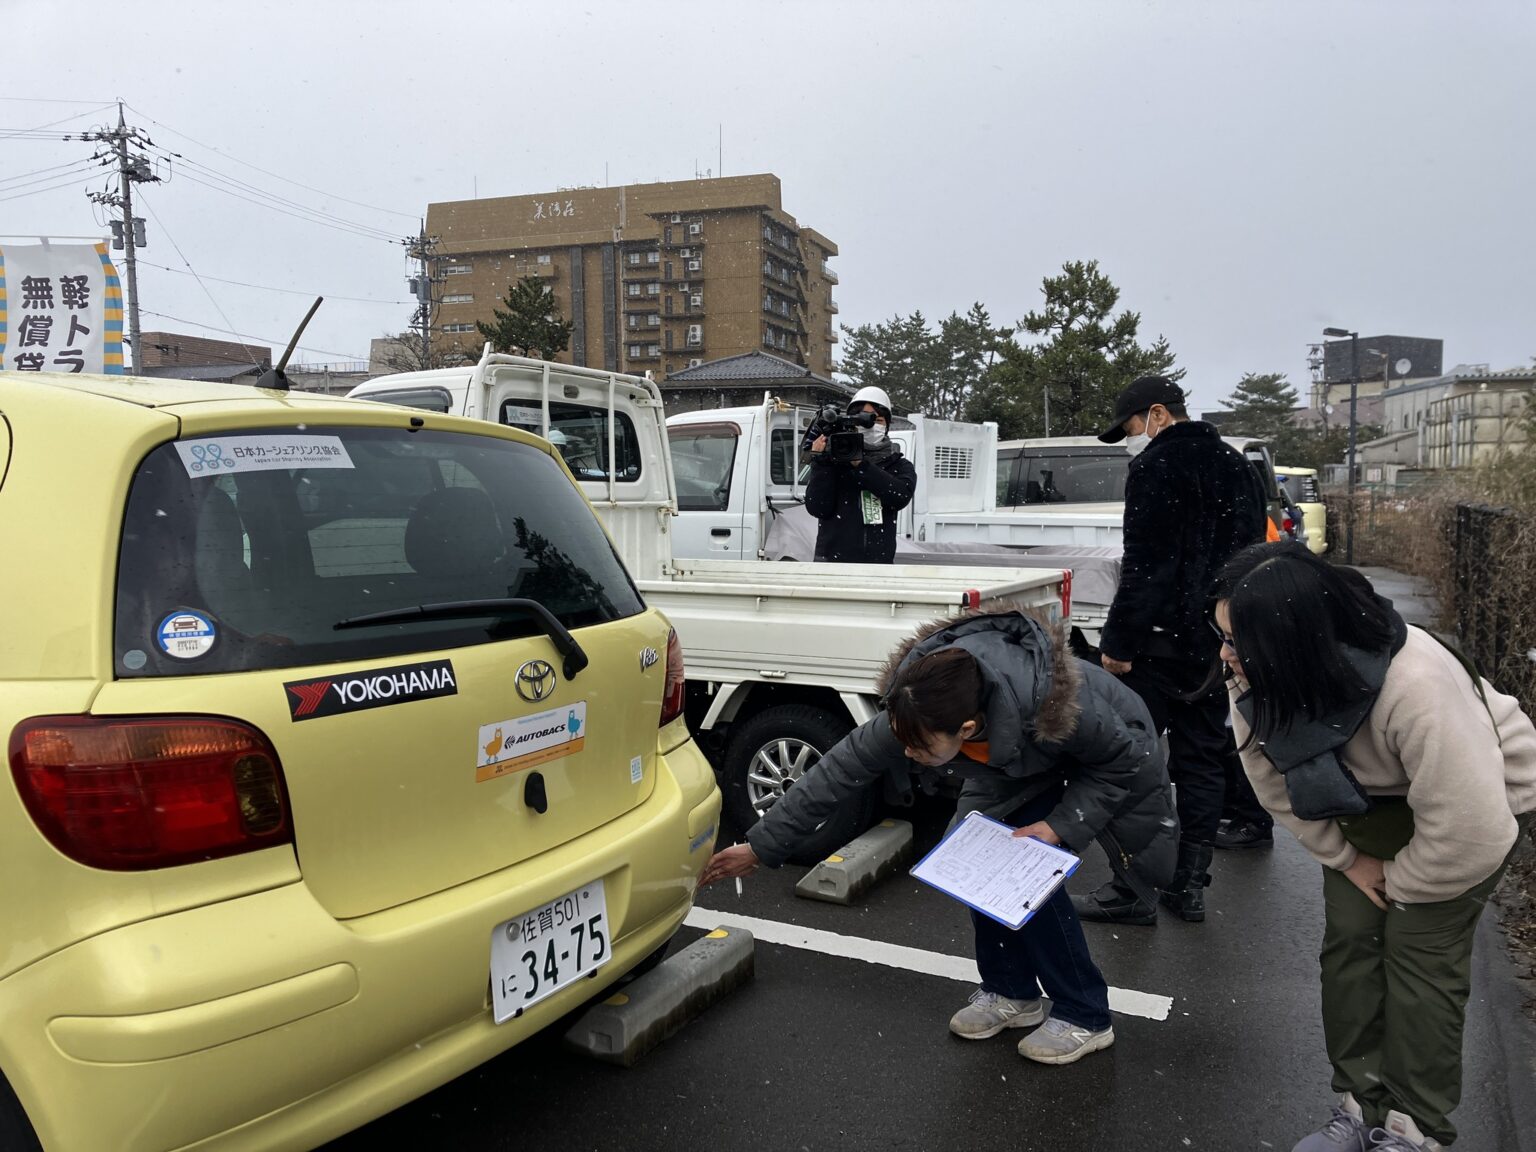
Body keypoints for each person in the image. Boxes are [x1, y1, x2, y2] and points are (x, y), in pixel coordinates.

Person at [701, 606, 1177, 1066]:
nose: (908, 752)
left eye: (921, 748)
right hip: (1014, 761)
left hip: (1102, 753)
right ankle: (1012, 991)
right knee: (976, 859)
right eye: (902, 740)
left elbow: (1121, 759)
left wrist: (1060, 827)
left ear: (967, 728)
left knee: (1031, 881)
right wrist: (761, 846)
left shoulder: (1043, 699)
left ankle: (1085, 1014)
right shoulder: (917, 706)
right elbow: (837, 771)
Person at [1210, 542, 1536, 1151]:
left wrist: (1406, 886)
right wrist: (1350, 860)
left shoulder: (1417, 684)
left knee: (1419, 960)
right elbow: (1271, 781)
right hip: (1368, 797)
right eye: (1223, 634)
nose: (1226, 654)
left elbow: (1474, 826)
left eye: (1238, 641)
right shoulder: (1257, 674)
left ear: (1296, 641)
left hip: (1473, 801)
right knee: (1351, 948)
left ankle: (1415, 1131)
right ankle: (1360, 1108)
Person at [1075, 375, 1267, 925]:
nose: (1132, 438)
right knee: (1203, 760)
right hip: (1213, 644)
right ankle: (1188, 885)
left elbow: (1146, 567)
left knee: (1129, 761)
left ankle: (1133, 887)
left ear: (1157, 415)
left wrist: (1118, 643)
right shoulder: (1238, 466)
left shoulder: (1155, 467)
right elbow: (1249, 560)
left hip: (1157, 647)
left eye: (1132, 427)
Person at [804, 385, 917, 564]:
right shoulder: (833, 462)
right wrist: (820, 460)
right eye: (864, 421)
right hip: (832, 566)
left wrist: (860, 465)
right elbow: (817, 507)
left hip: (877, 566)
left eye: (878, 420)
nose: (872, 427)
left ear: (887, 425)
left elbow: (899, 496)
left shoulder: (899, 465)